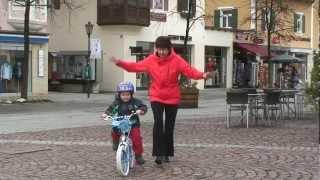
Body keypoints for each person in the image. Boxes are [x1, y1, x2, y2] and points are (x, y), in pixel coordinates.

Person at [110, 36, 211, 165]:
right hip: (156, 95)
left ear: (170, 49)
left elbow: (189, 71)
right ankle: (158, 154)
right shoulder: (151, 60)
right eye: (159, 49)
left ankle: (167, 153)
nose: (162, 52)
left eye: (164, 49)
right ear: (156, 48)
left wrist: (202, 75)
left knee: (169, 126)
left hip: (172, 97)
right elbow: (134, 67)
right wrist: (119, 62)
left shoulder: (177, 60)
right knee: (158, 123)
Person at [101, 81, 148, 165]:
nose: (125, 97)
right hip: (120, 122)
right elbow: (111, 108)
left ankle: (138, 155)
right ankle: (115, 141)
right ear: (119, 95)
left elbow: (143, 106)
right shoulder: (117, 102)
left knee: (137, 138)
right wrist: (106, 114)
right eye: (123, 95)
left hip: (133, 123)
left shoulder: (135, 101)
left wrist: (141, 110)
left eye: (127, 94)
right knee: (114, 130)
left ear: (131, 94)